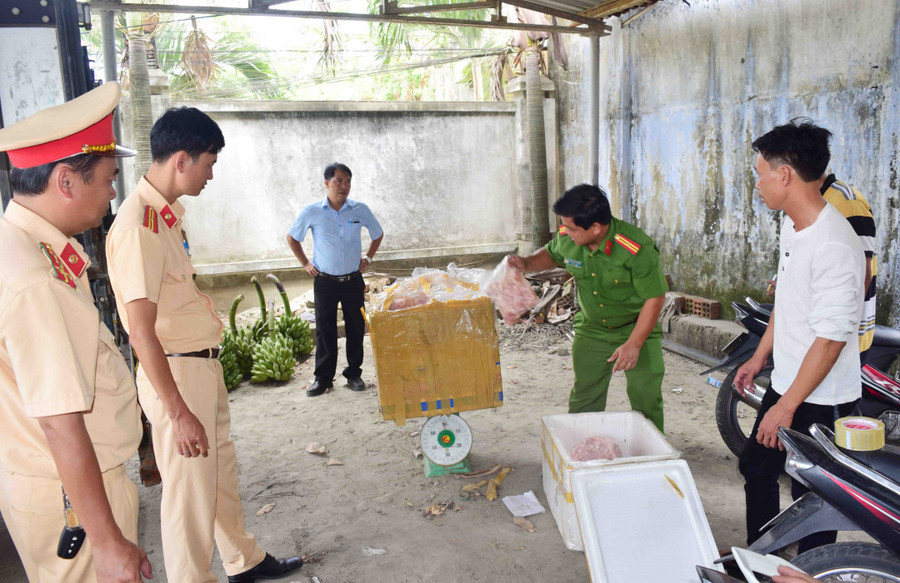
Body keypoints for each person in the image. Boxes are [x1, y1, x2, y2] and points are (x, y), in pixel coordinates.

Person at [105, 107, 302, 583]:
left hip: (198, 367)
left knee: (219, 478)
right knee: (188, 500)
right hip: (176, 374)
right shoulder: (138, 227)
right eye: (209, 163)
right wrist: (177, 410)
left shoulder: (164, 217)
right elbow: (140, 331)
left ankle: (243, 560)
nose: (212, 174)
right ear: (181, 159)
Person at [0, 82, 151, 582]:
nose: (113, 193)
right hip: (76, 498)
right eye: (108, 179)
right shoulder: (33, 279)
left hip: (52, 484)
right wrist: (108, 542)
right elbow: (60, 422)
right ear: (66, 181)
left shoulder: (22, 244)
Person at [735, 119, 864, 553]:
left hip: (820, 396)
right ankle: (762, 557)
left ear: (785, 174)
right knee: (756, 467)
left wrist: (786, 407)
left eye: (760, 173)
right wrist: (759, 357)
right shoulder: (793, 226)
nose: (758, 183)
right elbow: (788, 301)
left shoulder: (833, 244)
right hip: (789, 381)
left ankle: (810, 568)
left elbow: (829, 341)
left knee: (812, 495)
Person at [508, 183, 668, 431]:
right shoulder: (568, 237)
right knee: (585, 396)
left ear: (595, 227)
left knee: (646, 395)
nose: (565, 231)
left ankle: (653, 456)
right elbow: (552, 254)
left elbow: (655, 298)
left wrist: (634, 344)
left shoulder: (636, 249)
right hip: (592, 329)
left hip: (637, 329)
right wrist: (526, 263)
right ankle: (582, 452)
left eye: (572, 228)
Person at [286, 162, 384, 397]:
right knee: (325, 330)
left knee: (355, 327)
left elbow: (377, 234)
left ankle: (354, 374)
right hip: (325, 281)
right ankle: (323, 378)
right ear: (327, 183)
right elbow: (292, 238)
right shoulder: (312, 211)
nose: (344, 186)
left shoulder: (359, 210)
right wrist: (305, 264)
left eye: (348, 181)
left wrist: (368, 258)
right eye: (339, 180)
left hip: (352, 280)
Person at [820, 173, 876, 363]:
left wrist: (836, 337)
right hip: (824, 335)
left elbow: (863, 275)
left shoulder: (846, 202)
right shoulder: (818, 201)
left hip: (843, 340)